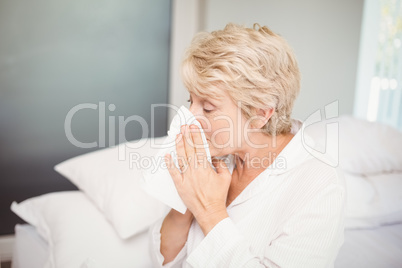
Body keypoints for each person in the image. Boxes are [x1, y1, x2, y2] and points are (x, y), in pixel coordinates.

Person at [148, 22, 346, 268]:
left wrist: (209, 211)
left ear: (261, 113)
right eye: (191, 100)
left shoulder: (319, 185)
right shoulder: (217, 153)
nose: (190, 115)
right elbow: (163, 260)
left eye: (208, 107)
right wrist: (187, 204)